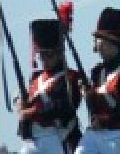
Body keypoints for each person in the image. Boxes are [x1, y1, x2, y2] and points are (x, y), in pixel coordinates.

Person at [78, 3, 120, 154]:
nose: (97, 44)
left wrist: (99, 98)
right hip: (94, 133)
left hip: (116, 133)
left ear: (112, 41)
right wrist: (86, 94)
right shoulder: (96, 73)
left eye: (100, 39)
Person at [22, 15, 86, 154]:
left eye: (48, 55)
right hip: (34, 138)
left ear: (59, 54)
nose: (44, 59)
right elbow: (26, 107)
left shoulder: (70, 77)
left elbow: (68, 106)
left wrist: (35, 110)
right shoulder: (35, 78)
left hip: (58, 136)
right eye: (41, 55)